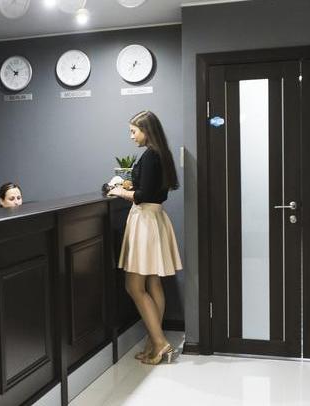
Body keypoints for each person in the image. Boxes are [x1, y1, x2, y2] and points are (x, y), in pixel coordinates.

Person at [107, 110, 182, 365]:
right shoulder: (162, 154)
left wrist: (119, 191)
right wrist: (132, 185)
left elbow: (142, 196)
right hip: (156, 219)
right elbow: (152, 189)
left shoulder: (150, 155)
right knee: (153, 283)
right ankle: (154, 343)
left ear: (146, 131)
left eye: (133, 131)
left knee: (134, 286)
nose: (131, 136)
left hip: (145, 221)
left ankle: (160, 344)